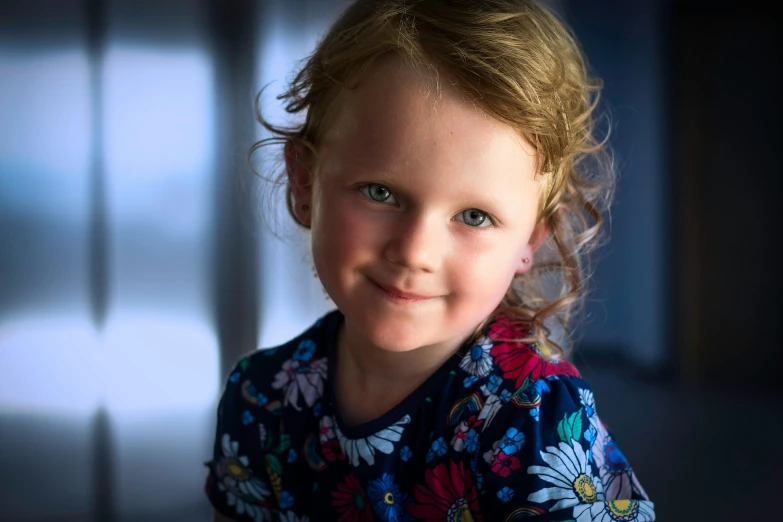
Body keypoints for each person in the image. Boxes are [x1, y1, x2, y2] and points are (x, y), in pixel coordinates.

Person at [204, 0, 655, 520]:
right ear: (306, 182)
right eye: (379, 192)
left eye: (475, 216)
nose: (415, 251)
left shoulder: (534, 417)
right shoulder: (260, 399)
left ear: (530, 239)